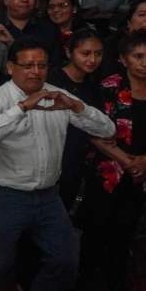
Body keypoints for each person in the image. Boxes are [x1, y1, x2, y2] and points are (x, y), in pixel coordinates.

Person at [0, 40, 115, 291]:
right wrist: (23, 107)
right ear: (10, 67)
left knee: (66, 258)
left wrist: (77, 107)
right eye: (27, 65)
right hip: (6, 195)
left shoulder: (58, 96)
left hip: (48, 196)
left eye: (41, 65)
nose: (35, 72)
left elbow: (108, 129)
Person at [82, 31, 146, 291]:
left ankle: (117, 284)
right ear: (124, 59)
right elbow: (93, 132)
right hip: (108, 171)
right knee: (96, 229)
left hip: (144, 174)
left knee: (125, 230)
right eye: (138, 57)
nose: (145, 63)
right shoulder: (108, 88)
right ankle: (85, 284)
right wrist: (127, 161)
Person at [46, 28, 105, 209]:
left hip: (74, 162)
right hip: (47, 159)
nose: (93, 60)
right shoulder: (51, 79)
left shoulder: (94, 87)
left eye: (98, 54)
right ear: (68, 52)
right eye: (85, 53)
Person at [45, 0, 82, 67]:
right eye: (51, 7)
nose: (56, 10)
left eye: (63, 5)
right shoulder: (41, 34)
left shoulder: (86, 34)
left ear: (74, 9)